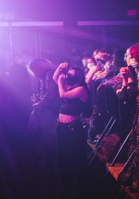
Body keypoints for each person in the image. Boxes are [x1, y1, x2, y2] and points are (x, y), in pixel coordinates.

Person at [53, 63, 91, 199]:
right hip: (62, 128)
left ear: (80, 79)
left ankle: (83, 192)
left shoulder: (81, 89)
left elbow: (62, 94)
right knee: (63, 160)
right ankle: (67, 190)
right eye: (69, 75)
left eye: (72, 76)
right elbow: (55, 78)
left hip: (74, 129)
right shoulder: (68, 86)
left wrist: (61, 81)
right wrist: (60, 69)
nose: (69, 77)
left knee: (78, 161)